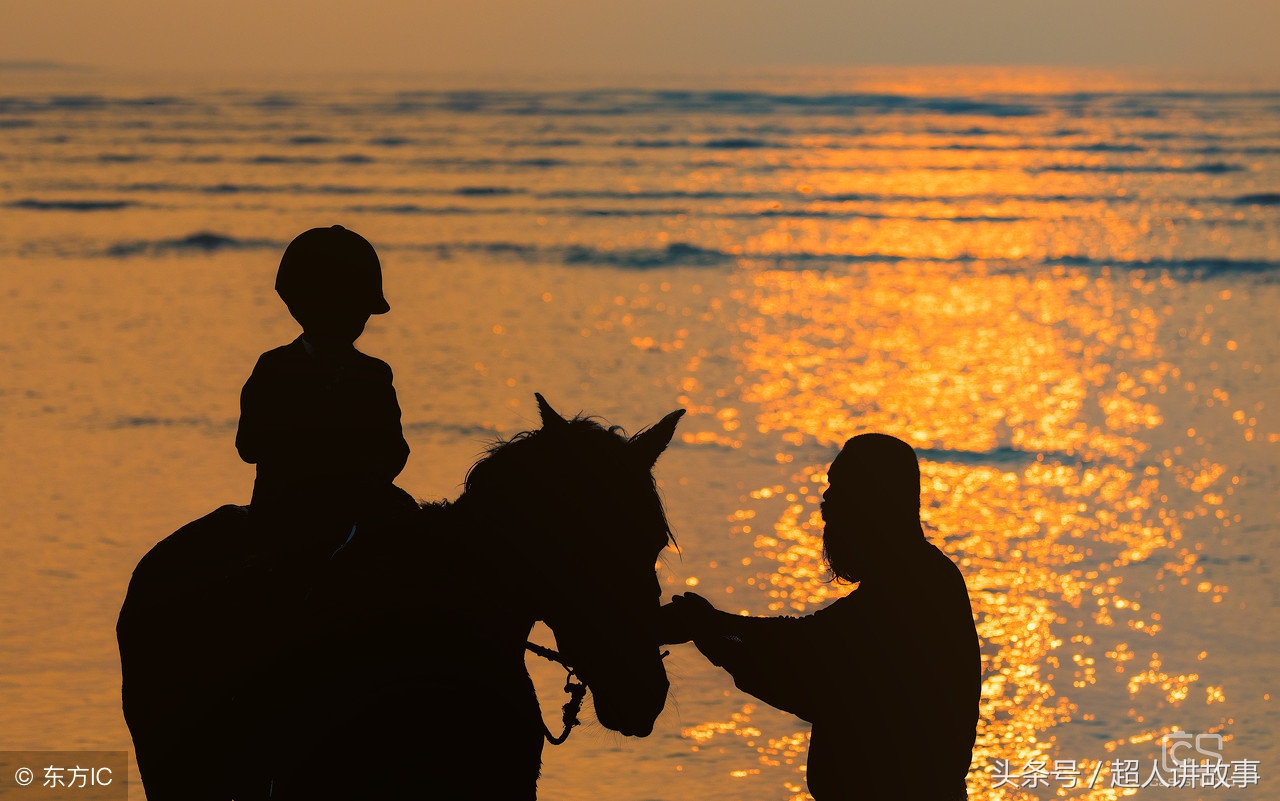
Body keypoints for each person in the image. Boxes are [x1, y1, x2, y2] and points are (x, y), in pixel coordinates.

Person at [661, 433, 981, 800]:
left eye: (839, 489)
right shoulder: (920, 580)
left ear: (875, 502)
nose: (825, 506)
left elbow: (808, 660)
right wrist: (711, 627)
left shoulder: (916, 588)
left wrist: (708, 629)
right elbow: (806, 646)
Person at [236, 225, 412, 541]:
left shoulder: (374, 374)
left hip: (357, 508)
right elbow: (249, 445)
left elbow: (393, 452)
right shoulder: (275, 368)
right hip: (283, 515)